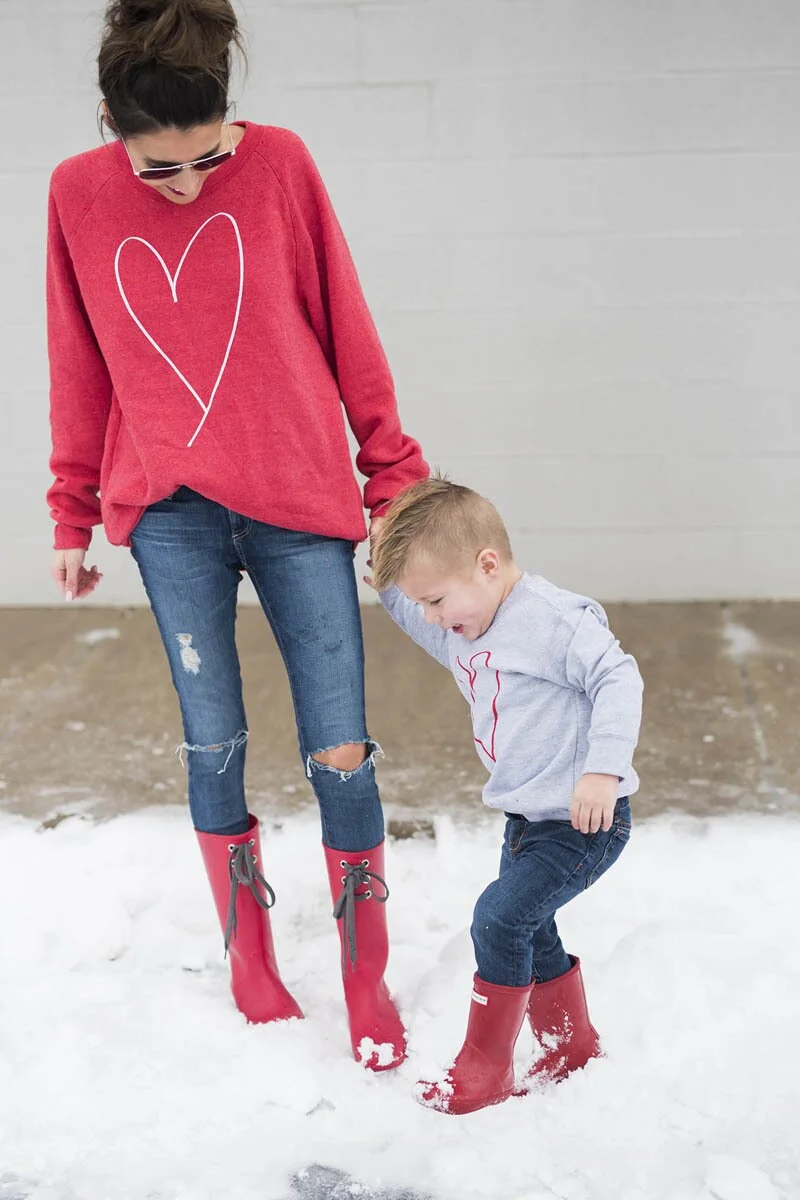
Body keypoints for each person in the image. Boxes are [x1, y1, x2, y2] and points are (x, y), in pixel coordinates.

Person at [46, 0, 428, 1072]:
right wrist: (72, 507)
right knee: (211, 735)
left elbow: (343, 319)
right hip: (167, 513)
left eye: (208, 157)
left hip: (299, 494)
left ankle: (364, 966)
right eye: (159, 170)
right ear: (113, 127)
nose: (189, 183)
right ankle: (247, 954)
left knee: (338, 744)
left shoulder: (285, 166)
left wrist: (389, 472)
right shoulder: (76, 194)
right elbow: (77, 358)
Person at [369, 477, 643, 1112]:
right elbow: (415, 615)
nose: (436, 617)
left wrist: (603, 769)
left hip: (582, 822)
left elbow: (617, 677)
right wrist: (385, 571)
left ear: (487, 565)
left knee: (498, 918)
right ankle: (570, 1043)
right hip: (525, 821)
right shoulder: (467, 628)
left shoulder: (551, 621)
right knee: (528, 923)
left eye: (439, 599)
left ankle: (485, 1069)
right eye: (427, 604)